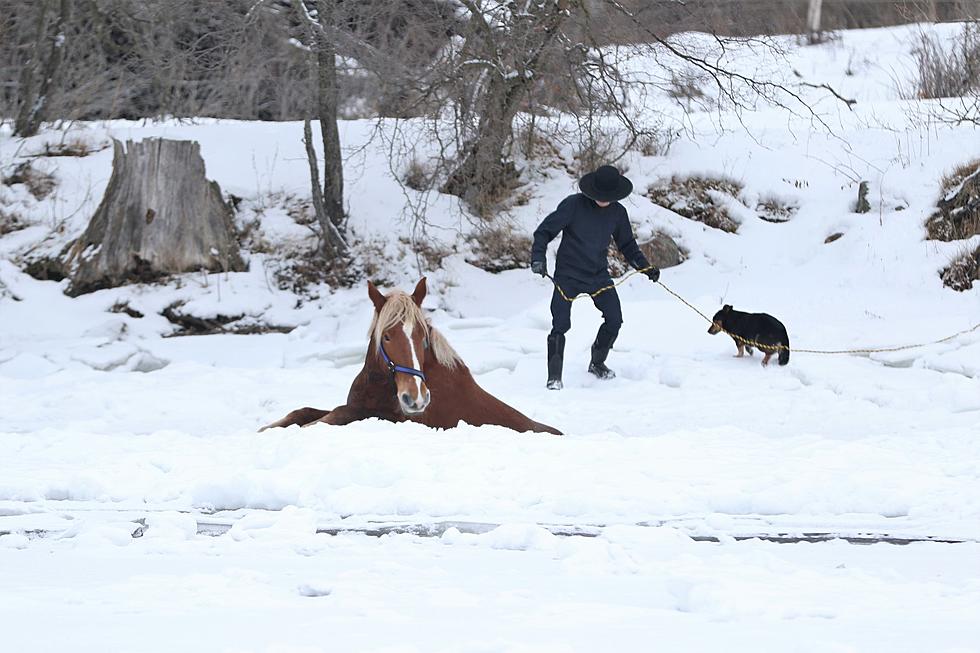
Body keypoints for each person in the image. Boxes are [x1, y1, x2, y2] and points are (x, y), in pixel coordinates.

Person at [530, 165, 660, 390]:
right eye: (600, 196)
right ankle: (554, 377)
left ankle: (597, 363)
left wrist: (645, 267)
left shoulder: (617, 212)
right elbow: (544, 231)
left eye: (608, 197)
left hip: (597, 275)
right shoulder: (573, 205)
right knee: (560, 324)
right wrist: (538, 257)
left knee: (615, 318)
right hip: (567, 275)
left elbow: (627, 245)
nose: (603, 200)